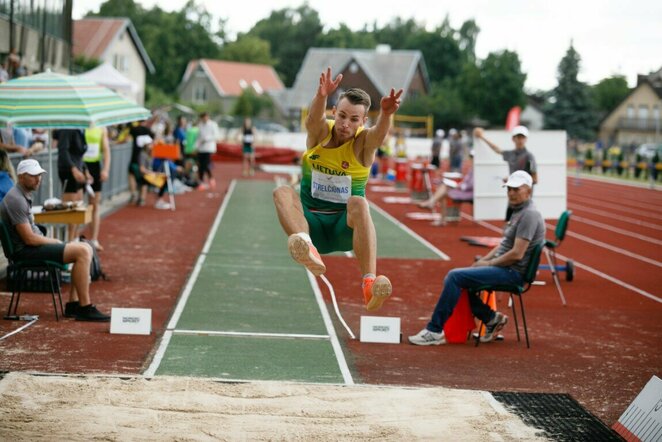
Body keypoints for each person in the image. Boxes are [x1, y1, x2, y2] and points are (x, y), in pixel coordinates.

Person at [273, 67, 403, 311]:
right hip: (310, 225)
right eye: (342, 116)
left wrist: (385, 114)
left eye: (354, 119)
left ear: (363, 122)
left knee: (359, 203)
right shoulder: (321, 133)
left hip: (343, 228)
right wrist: (321, 95)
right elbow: (313, 121)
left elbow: (378, 138)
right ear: (334, 112)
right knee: (281, 192)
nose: (345, 124)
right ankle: (305, 248)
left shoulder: (363, 142)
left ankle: (369, 284)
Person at [409, 171, 544, 345]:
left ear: (528, 190)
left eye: (516, 189)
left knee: (454, 277)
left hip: (513, 273)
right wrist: (483, 262)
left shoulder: (529, 215)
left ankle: (434, 330)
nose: (511, 193)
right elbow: (503, 245)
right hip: (505, 268)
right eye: (509, 189)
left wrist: (488, 263)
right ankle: (491, 318)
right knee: (463, 277)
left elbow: (517, 253)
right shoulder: (519, 211)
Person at [0, 159, 110, 321]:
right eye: (33, 176)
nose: (38, 179)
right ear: (21, 177)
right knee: (82, 251)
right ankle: (84, 307)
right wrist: (56, 242)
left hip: (28, 248)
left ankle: (74, 304)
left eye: (40, 175)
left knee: (84, 246)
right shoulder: (16, 199)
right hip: (25, 252)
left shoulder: (20, 195)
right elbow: (29, 239)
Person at [418, 151, 474, 226]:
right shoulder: (473, 168)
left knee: (444, 188)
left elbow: (470, 185)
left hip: (469, 192)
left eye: (473, 157)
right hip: (464, 190)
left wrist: (459, 186)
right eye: (471, 157)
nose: (471, 159)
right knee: (444, 187)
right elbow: (466, 183)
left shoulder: (477, 170)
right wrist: (458, 185)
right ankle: (434, 207)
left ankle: (432, 203)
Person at [54, 129, 90, 241]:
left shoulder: (81, 130)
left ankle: (74, 238)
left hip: (78, 170)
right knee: (70, 209)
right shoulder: (68, 129)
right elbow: (63, 151)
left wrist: (85, 170)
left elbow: (78, 156)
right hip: (68, 171)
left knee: (78, 207)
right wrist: (73, 169)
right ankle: (68, 241)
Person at [473, 125, 537, 184]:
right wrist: (482, 137)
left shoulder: (529, 156)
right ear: (513, 139)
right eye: (518, 137)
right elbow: (497, 149)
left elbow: (535, 179)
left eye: (522, 137)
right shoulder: (510, 154)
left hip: (524, 193)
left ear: (526, 139)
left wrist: (515, 180)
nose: (520, 140)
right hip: (512, 190)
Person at [83, 126, 111, 251]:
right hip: (80, 165)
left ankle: (94, 239)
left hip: (94, 167)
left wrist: (105, 169)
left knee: (94, 204)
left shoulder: (102, 128)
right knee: (75, 203)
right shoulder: (80, 125)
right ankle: (72, 239)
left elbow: (106, 150)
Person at [196, 112, 219, 190]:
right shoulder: (200, 125)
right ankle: (201, 181)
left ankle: (210, 178)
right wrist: (196, 146)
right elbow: (198, 137)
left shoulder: (213, 125)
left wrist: (206, 139)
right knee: (200, 166)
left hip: (209, 148)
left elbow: (216, 135)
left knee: (205, 164)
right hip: (201, 148)